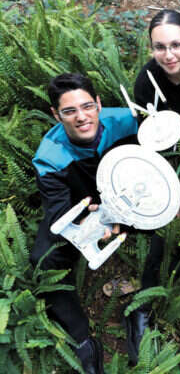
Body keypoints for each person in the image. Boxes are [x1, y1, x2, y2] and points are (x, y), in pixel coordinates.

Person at [31, 73, 140, 373]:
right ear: (56, 115)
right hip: (84, 209)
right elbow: (58, 213)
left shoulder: (128, 121)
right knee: (43, 259)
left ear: (99, 104)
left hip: (132, 198)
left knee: (169, 229)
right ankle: (83, 340)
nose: (81, 117)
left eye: (87, 106)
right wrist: (93, 224)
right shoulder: (49, 157)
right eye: (69, 111)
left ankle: (141, 314)